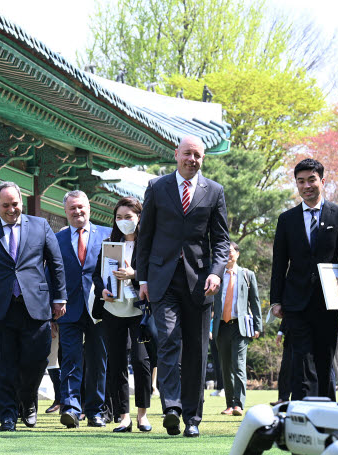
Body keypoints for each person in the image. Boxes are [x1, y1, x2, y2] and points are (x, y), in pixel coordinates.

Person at [135, 135, 229, 438]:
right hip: (164, 280)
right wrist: (143, 279)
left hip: (201, 283)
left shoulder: (214, 192)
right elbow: (145, 236)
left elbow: (222, 241)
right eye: (187, 154)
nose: (192, 160)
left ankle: (192, 418)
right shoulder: (157, 187)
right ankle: (172, 407)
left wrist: (216, 272)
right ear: (176, 154)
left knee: (197, 352)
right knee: (169, 340)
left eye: (198, 156)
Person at [0, 181, 67, 431]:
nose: (11, 210)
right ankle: (7, 414)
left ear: (22, 203)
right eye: (6, 205)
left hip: (35, 305)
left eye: (15, 204)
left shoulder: (40, 226)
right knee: (0, 363)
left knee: (35, 360)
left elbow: (56, 263)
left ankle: (28, 401)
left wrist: (59, 297)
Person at [271, 158, 338, 401]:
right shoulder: (286, 219)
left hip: (328, 301)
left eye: (311, 180)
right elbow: (279, 264)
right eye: (301, 181)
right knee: (300, 359)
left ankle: (326, 411)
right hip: (295, 302)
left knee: (323, 359)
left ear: (322, 181)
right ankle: (302, 412)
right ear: (296, 184)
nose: (306, 185)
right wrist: (275, 300)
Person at [94, 197, 153, 433]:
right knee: (116, 362)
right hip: (113, 310)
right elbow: (97, 276)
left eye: (128, 217)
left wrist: (134, 274)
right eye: (119, 217)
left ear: (139, 218)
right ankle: (123, 416)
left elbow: (155, 274)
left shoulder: (148, 246)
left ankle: (143, 415)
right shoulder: (109, 244)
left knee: (141, 361)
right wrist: (102, 291)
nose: (124, 222)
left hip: (139, 310)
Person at [55, 190, 111, 428]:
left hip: (100, 307)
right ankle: (70, 407)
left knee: (98, 360)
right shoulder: (56, 239)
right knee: (70, 358)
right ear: (65, 212)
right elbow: (51, 274)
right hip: (68, 307)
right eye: (72, 208)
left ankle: (95, 411)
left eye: (81, 207)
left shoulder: (108, 235)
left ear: (89, 208)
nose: (77, 212)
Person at [210, 241, 262, 416]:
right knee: (225, 366)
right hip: (221, 326)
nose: (228, 255)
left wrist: (257, 326)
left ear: (237, 254)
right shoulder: (216, 276)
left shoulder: (247, 275)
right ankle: (230, 404)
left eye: (230, 251)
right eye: (224, 252)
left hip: (240, 327)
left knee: (238, 365)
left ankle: (239, 404)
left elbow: (255, 303)